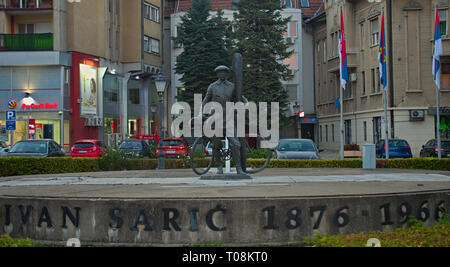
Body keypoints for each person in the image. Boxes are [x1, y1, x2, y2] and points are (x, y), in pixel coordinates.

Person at [202, 65, 248, 175]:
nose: (222, 74)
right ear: (217, 74)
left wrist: (246, 105)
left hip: (229, 119)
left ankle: (238, 169)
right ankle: (219, 167)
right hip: (216, 120)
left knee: (236, 144)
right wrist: (204, 113)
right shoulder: (212, 87)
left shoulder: (232, 86)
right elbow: (205, 101)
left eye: (224, 72)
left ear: (227, 74)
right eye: (220, 72)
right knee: (216, 145)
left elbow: (242, 98)